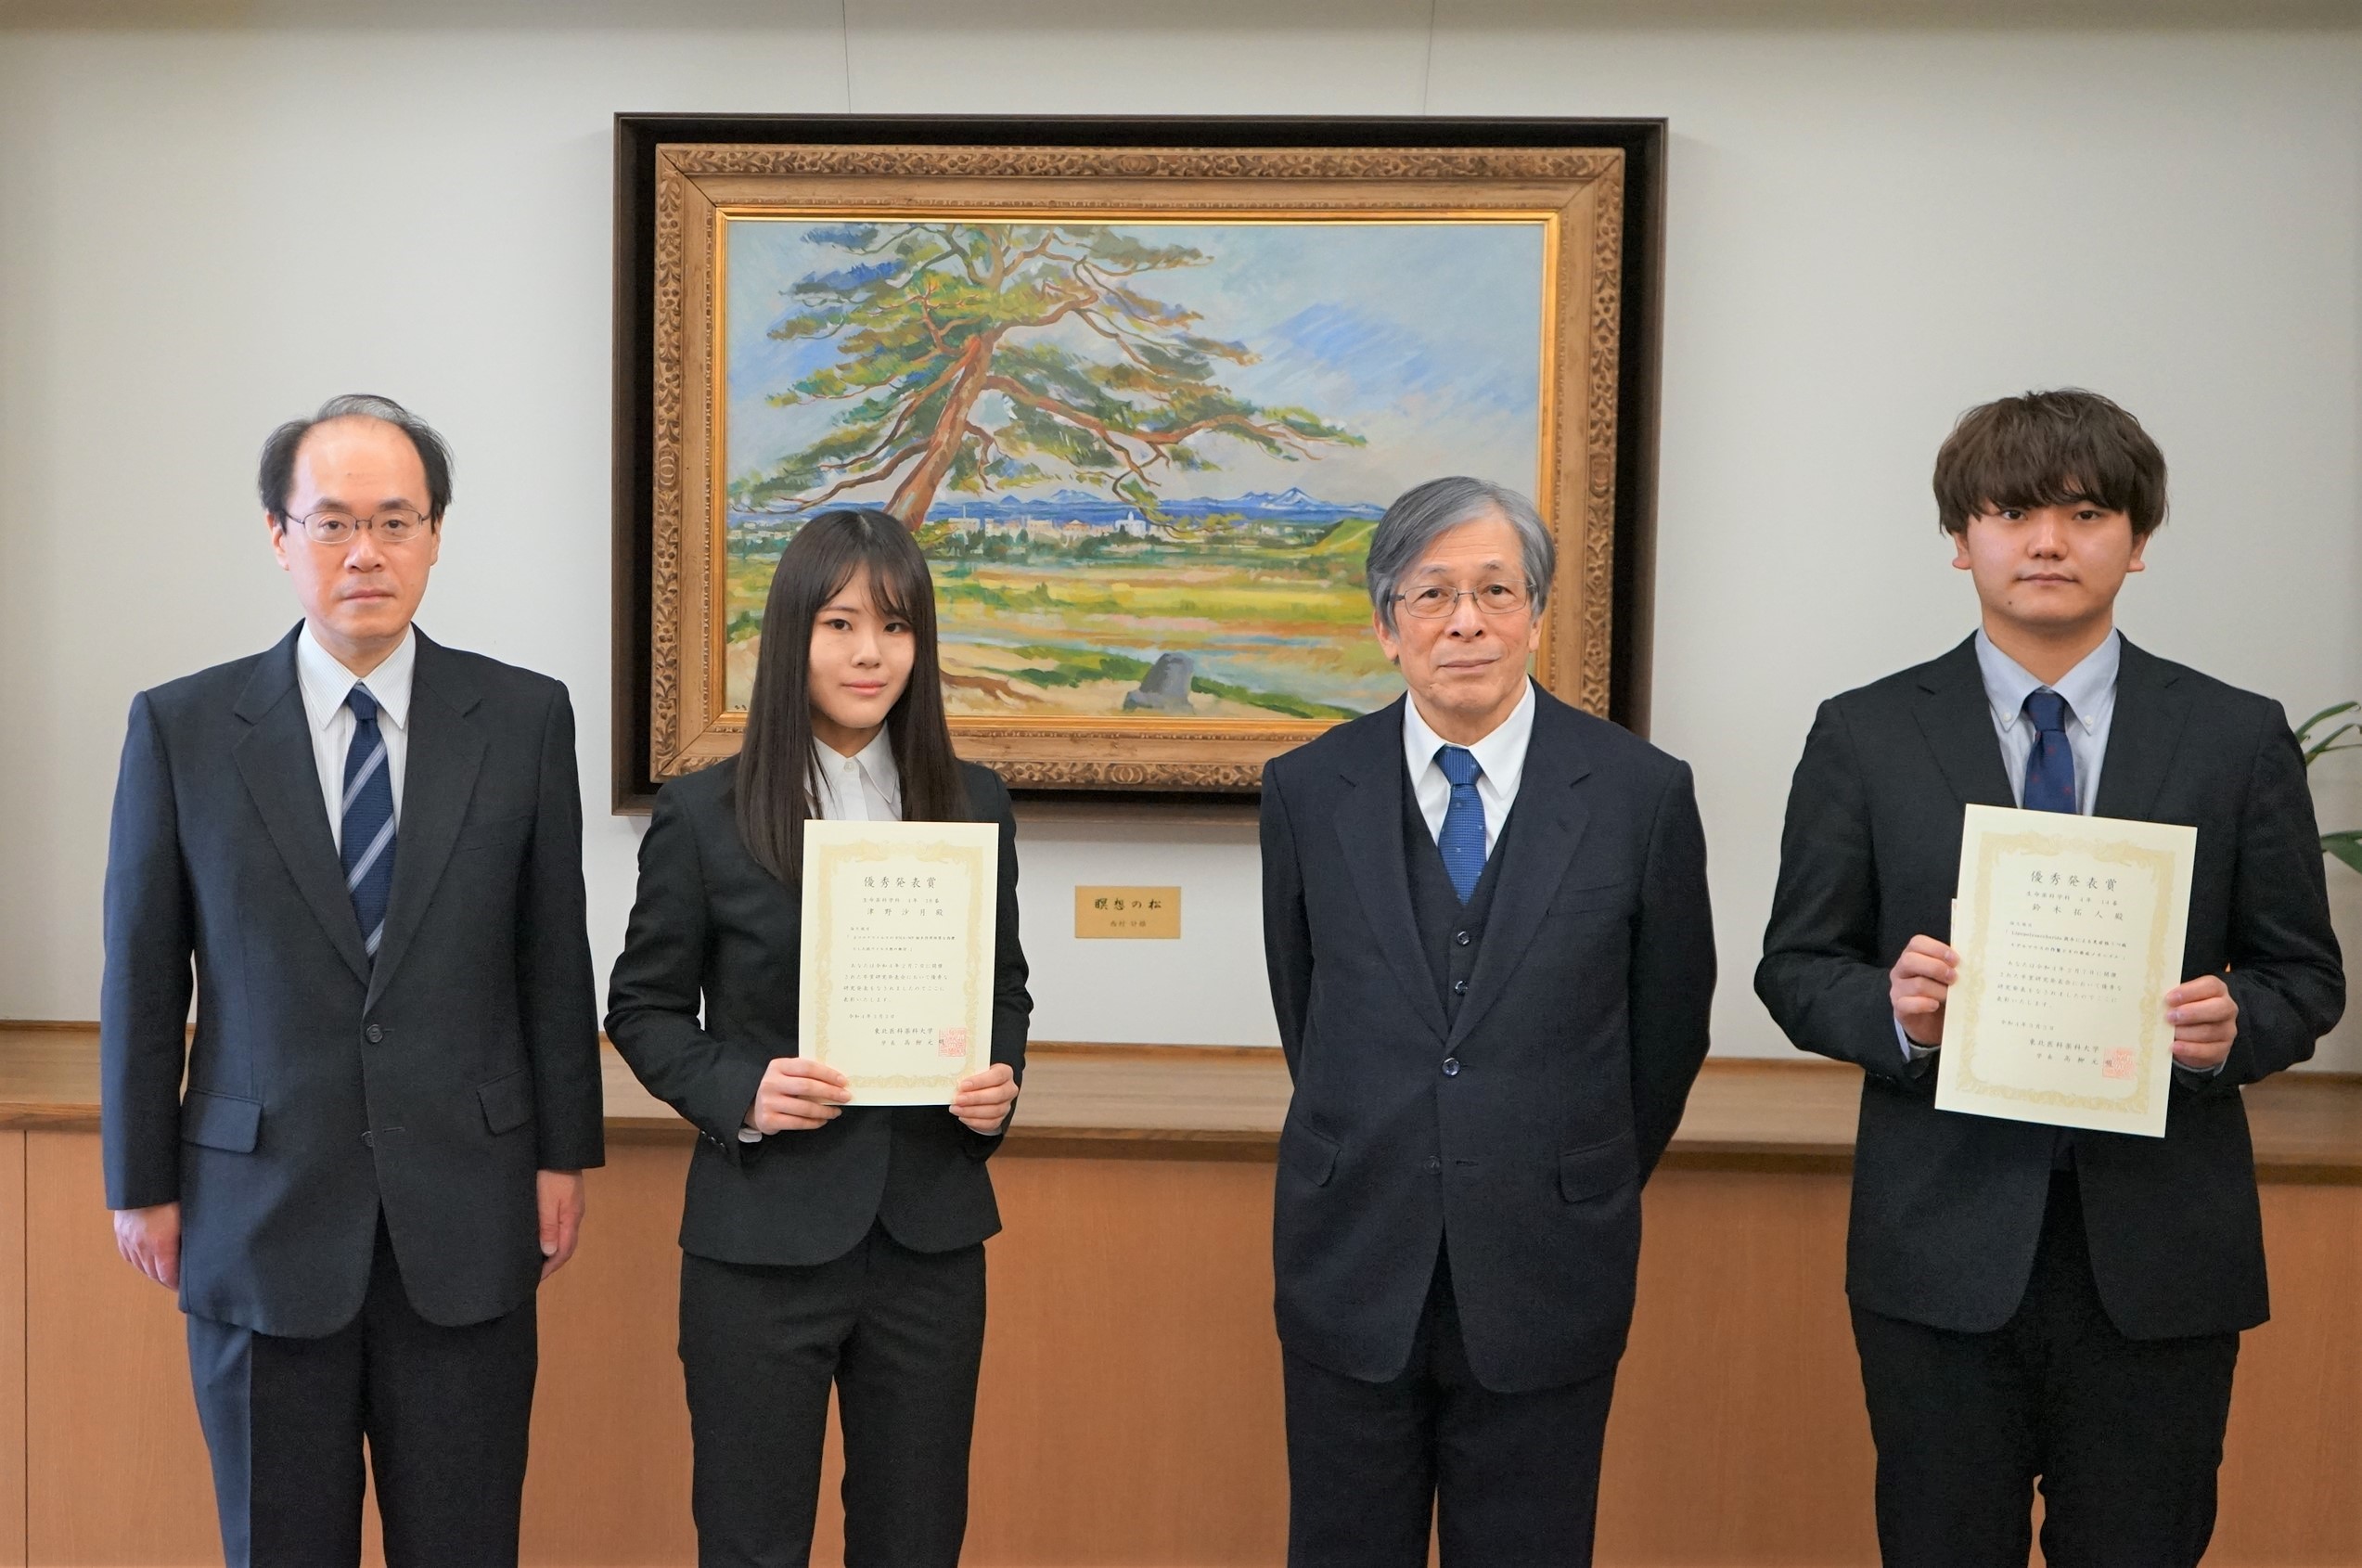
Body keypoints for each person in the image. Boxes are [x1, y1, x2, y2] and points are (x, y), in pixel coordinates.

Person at [1756, 388, 2345, 1568]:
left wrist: (2232, 1025)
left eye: (2084, 514)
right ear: (1958, 538)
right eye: (2010, 512)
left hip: (2160, 1253)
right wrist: (1896, 1014)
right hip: (1938, 1248)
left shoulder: (2233, 735)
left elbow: (2302, 974)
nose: (2045, 542)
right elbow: (1796, 965)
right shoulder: (1864, 733)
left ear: (2137, 540)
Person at [99, 394, 605, 1567]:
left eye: (394, 520)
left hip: (469, 1212)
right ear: (278, 536)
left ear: (435, 534)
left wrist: (562, 1153)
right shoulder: (183, 727)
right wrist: (140, 1181)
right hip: (256, 1217)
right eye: (331, 522)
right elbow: (142, 975)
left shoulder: (522, 717)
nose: (364, 551)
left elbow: (551, 954)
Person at [1258, 475, 1715, 1567]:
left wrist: (1572, 1167)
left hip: (1548, 1259)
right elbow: (1303, 1005)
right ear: (1386, 625)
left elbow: (1667, 1029)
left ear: (1535, 614)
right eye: (1431, 594)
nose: (1464, 621)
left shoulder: (1638, 793)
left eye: (1495, 591)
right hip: (1351, 1255)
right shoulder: (1307, 789)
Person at [606, 508, 1030, 1568]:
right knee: (751, 1542)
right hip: (760, 1240)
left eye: (894, 625)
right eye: (839, 623)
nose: (868, 652)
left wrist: (997, 1084)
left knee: (915, 1540)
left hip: (928, 1238)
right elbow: (643, 1007)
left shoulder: (972, 801)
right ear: (792, 634)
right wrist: (741, 1090)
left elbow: (1003, 991)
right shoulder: (704, 812)